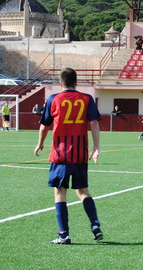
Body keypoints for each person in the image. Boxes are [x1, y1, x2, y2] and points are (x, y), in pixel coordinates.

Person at [34, 68, 103, 244]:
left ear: (61, 83)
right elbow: (94, 122)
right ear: (76, 82)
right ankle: (95, 225)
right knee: (83, 192)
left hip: (60, 155)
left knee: (59, 194)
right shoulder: (86, 99)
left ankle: (64, 234)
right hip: (80, 155)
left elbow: (44, 125)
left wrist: (40, 143)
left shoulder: (53, 99)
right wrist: (96, 147)